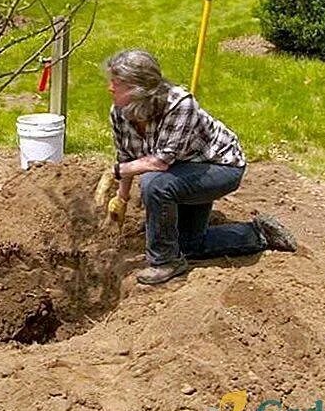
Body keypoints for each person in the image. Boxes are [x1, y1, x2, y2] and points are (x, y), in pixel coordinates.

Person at [98, 50, 296, 285]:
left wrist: (115, 172)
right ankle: (258, 233)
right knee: (188, 244)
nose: (110, 88)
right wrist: (121, 198)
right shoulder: (120, 113)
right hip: (183, 169)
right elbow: (127, 156)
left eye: (117, 83)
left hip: (218, 167)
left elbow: (159, 162)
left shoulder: (179, 104)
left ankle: (164, 262)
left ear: (139, 89)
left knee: (153, 183)